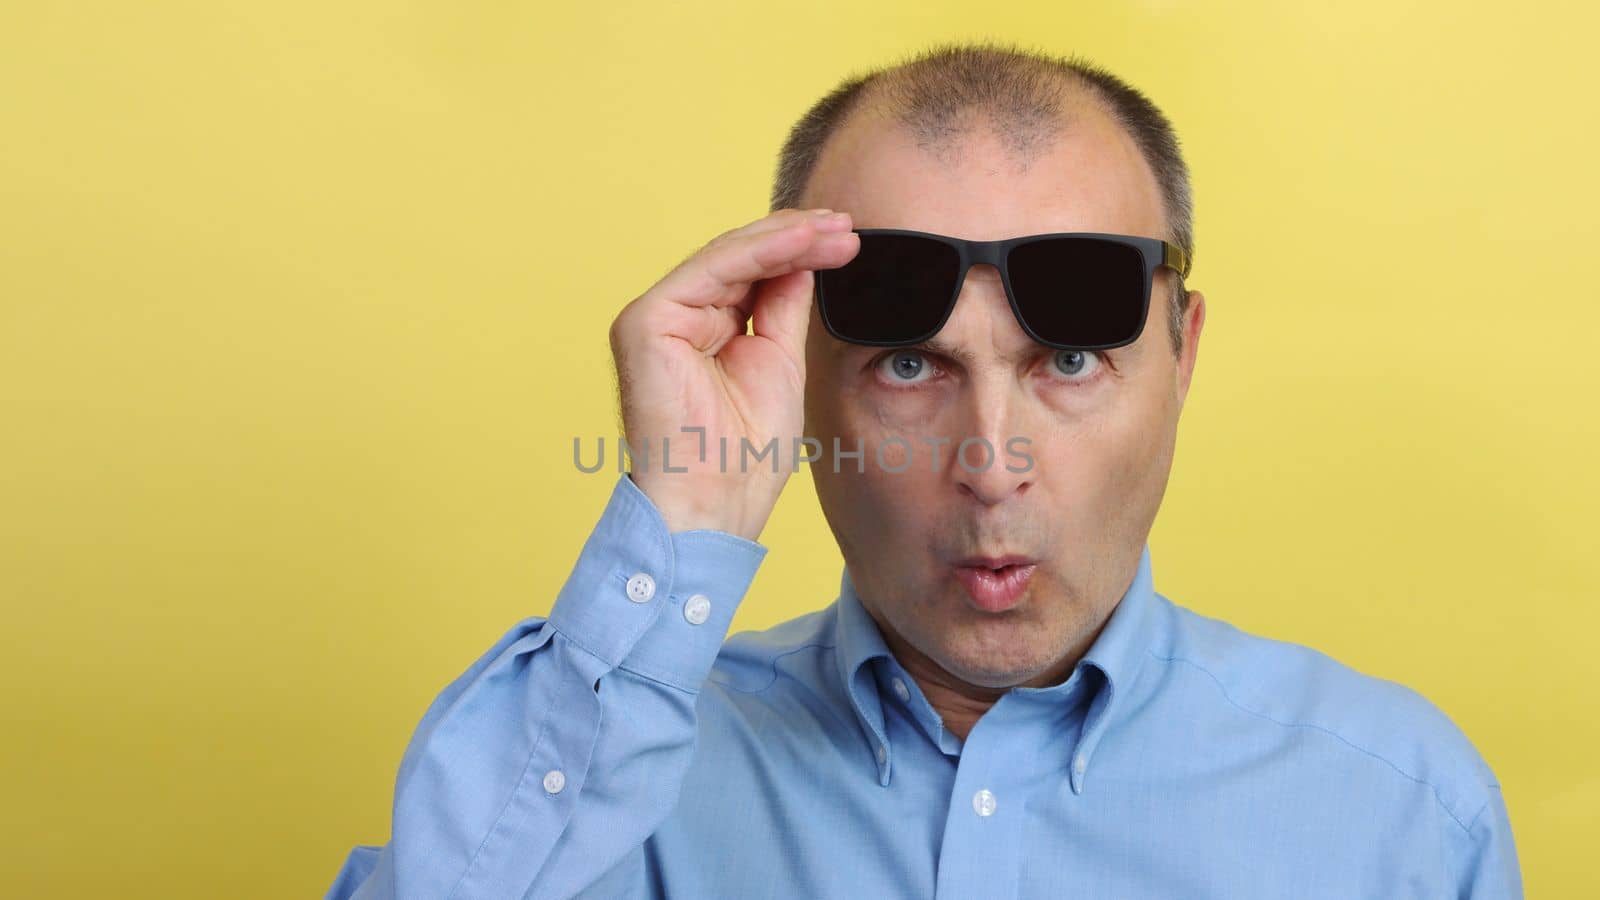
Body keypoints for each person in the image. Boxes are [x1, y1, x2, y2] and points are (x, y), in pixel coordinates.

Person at [325, 42, 1521, 899]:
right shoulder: (605, 778)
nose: (991, 466)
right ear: (792, 375)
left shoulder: (1401, 813)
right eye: (908, 364)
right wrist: (681, 514)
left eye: (1065, 359)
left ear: (1181, 354)